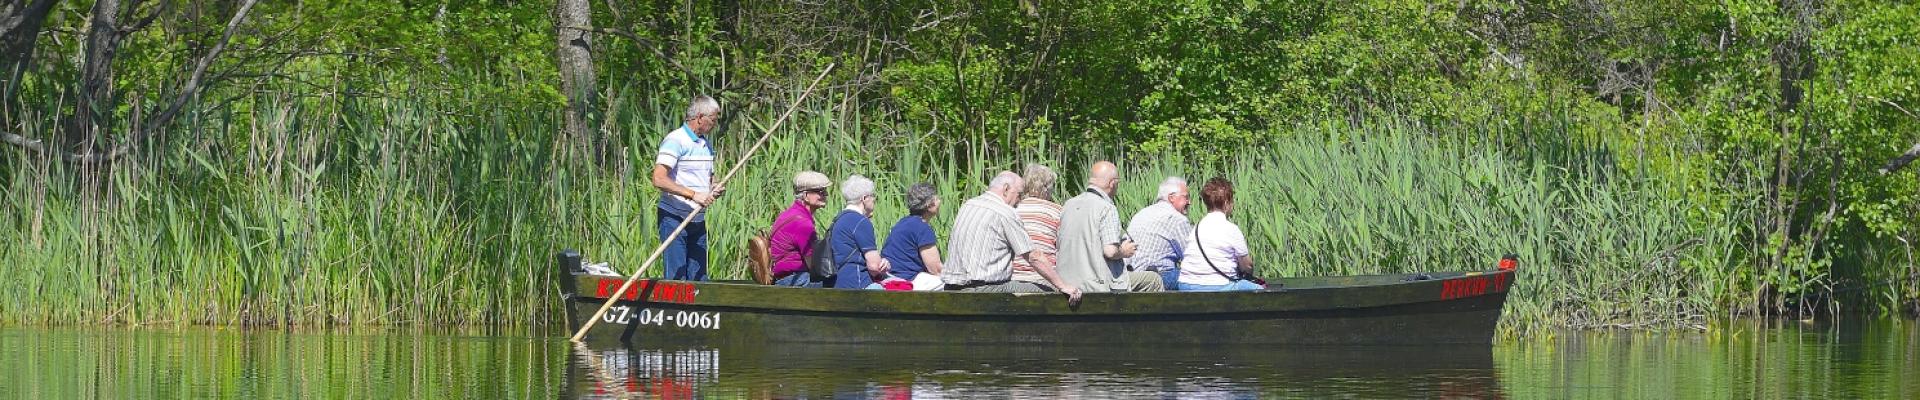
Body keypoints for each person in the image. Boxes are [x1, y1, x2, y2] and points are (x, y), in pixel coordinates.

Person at [941, 171, 1083, 302]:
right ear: (1006, 189)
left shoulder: (968, 205)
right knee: (1051, 290)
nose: (1019, 200)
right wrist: (1063, 286)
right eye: (1019, 194)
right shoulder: (1005, 212)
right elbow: (1033, 256)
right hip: (984, 290)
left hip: (951, 288)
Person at [1056, 161, 1166, 293]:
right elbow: (1110, 251)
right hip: (1096, 284)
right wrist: (1124, 251)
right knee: (1153, 280)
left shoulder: (1068, 205)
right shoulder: (1106, 208)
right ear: (1112, 183)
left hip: (1065, 282)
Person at [652, 95, 725, 281]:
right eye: (713, 120)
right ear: (700, 117)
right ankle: (672, 310)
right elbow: (659, 179)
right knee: (677, 278)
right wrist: (693, 195)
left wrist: (714, 187)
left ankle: (699, 311)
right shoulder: (676, 140)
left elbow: (707, 178)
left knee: (700, 278)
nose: (715, 125)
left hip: (697, 219)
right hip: (674, 218)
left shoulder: (705, 144)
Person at [1178, 177, 1263, 292]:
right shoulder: (1231, 229)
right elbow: (1247, 266)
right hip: (1219, 286)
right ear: (1227, 203)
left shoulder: (1196, 228)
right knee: (1261, 290)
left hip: (1186, 284)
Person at [1125, 176, 1193, 290]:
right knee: (1200, 277)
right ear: (1171, 197)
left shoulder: (1142, 213)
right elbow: (1191, 256)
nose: (1189, 202)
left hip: (1132, 276)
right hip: (1157, 277)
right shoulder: (1176, 218)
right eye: (1186, 197)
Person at [768, 171, 831, 287]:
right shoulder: (803, 224)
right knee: (839, 283)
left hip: (784, 277)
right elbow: (812, 264)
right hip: (795, 279)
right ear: (806, 196)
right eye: (820, 192)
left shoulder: (788, 214)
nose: (825, 195)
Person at [881, 183, 946, 291]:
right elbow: (936, 269)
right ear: (929, 205)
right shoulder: (922, 228)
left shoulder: (904, 222)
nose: (939, 201)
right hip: (906, 280)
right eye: (937, 198)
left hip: (890, 276)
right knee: (949, 284)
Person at [828, 174, 890, 289]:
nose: (874, 199)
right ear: (864, 198)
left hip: (836, 284)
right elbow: (874, 267)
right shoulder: (860, 221)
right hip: (858, 284)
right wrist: (885, 264)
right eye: (873, 196)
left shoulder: (838, 219)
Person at [1011, 163, 1063, 287]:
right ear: (1047, 188)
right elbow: (1062, 249)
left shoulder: (1012, 210)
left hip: (1012, 277)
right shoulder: (1058, 212)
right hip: (1044, 279)